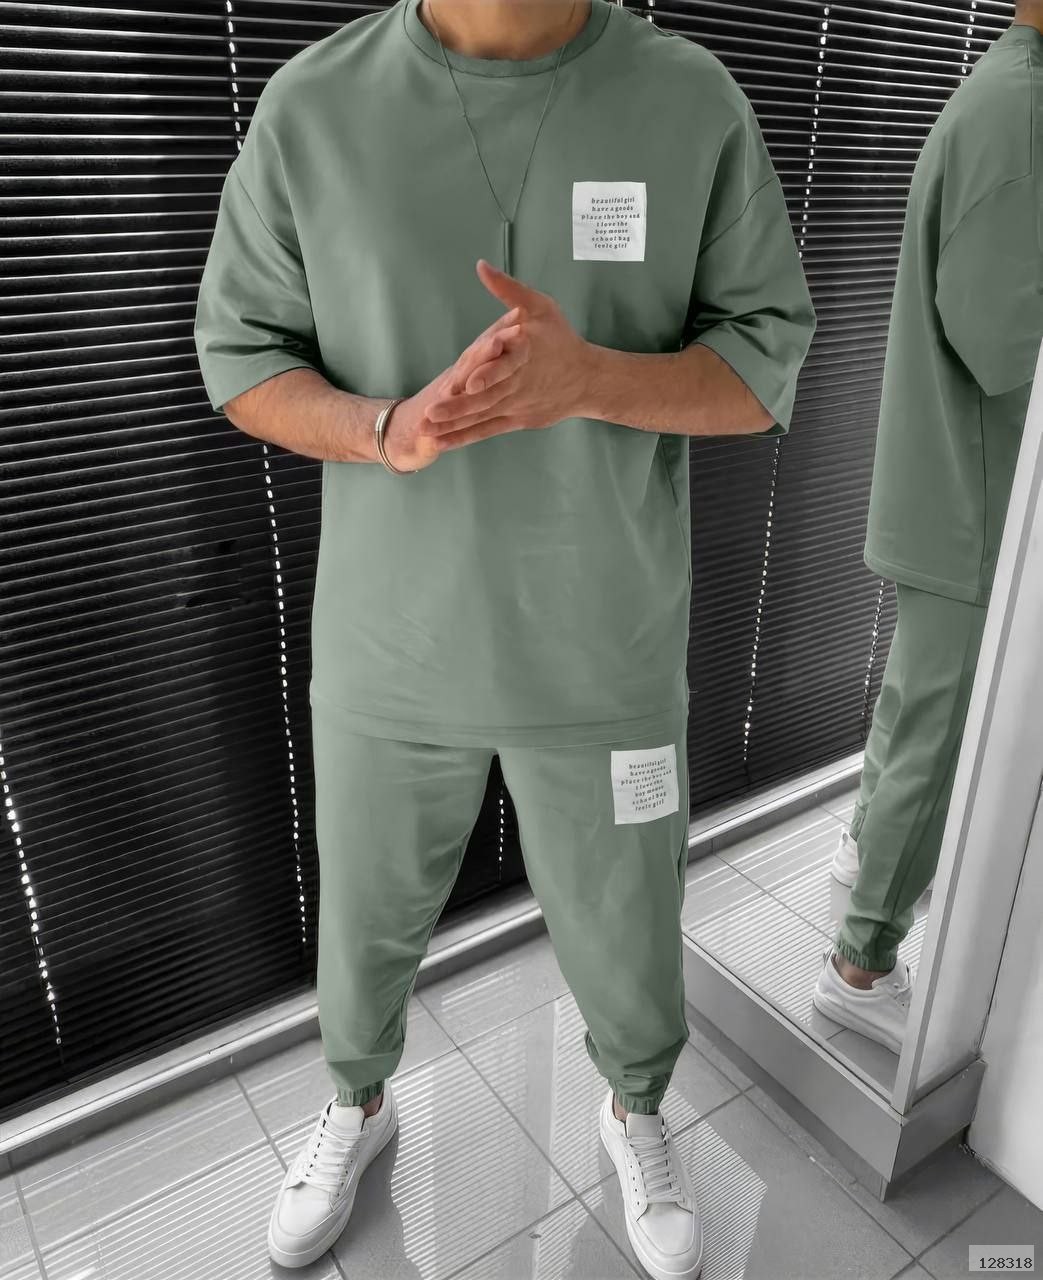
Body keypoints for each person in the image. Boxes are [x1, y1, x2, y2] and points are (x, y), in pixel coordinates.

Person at [194, 0, 815, 1275]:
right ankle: (356, 1102)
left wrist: (589, 378)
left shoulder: (687, 100)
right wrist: (384, 429)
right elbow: (240, 354)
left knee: (628, 915)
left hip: (602, 638)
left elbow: (763, 366)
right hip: (391, 635)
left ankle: (634, 1108)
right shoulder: (314, 106)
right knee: (364, 911)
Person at [813, 3, 1043, 1056]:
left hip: (948, 480)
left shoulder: (1003, 91)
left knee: (914, 709)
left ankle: (861, 859)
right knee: (938, 734)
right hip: (972, 496)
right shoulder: (1020, 108)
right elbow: (1000, 343)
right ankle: (860, 967)